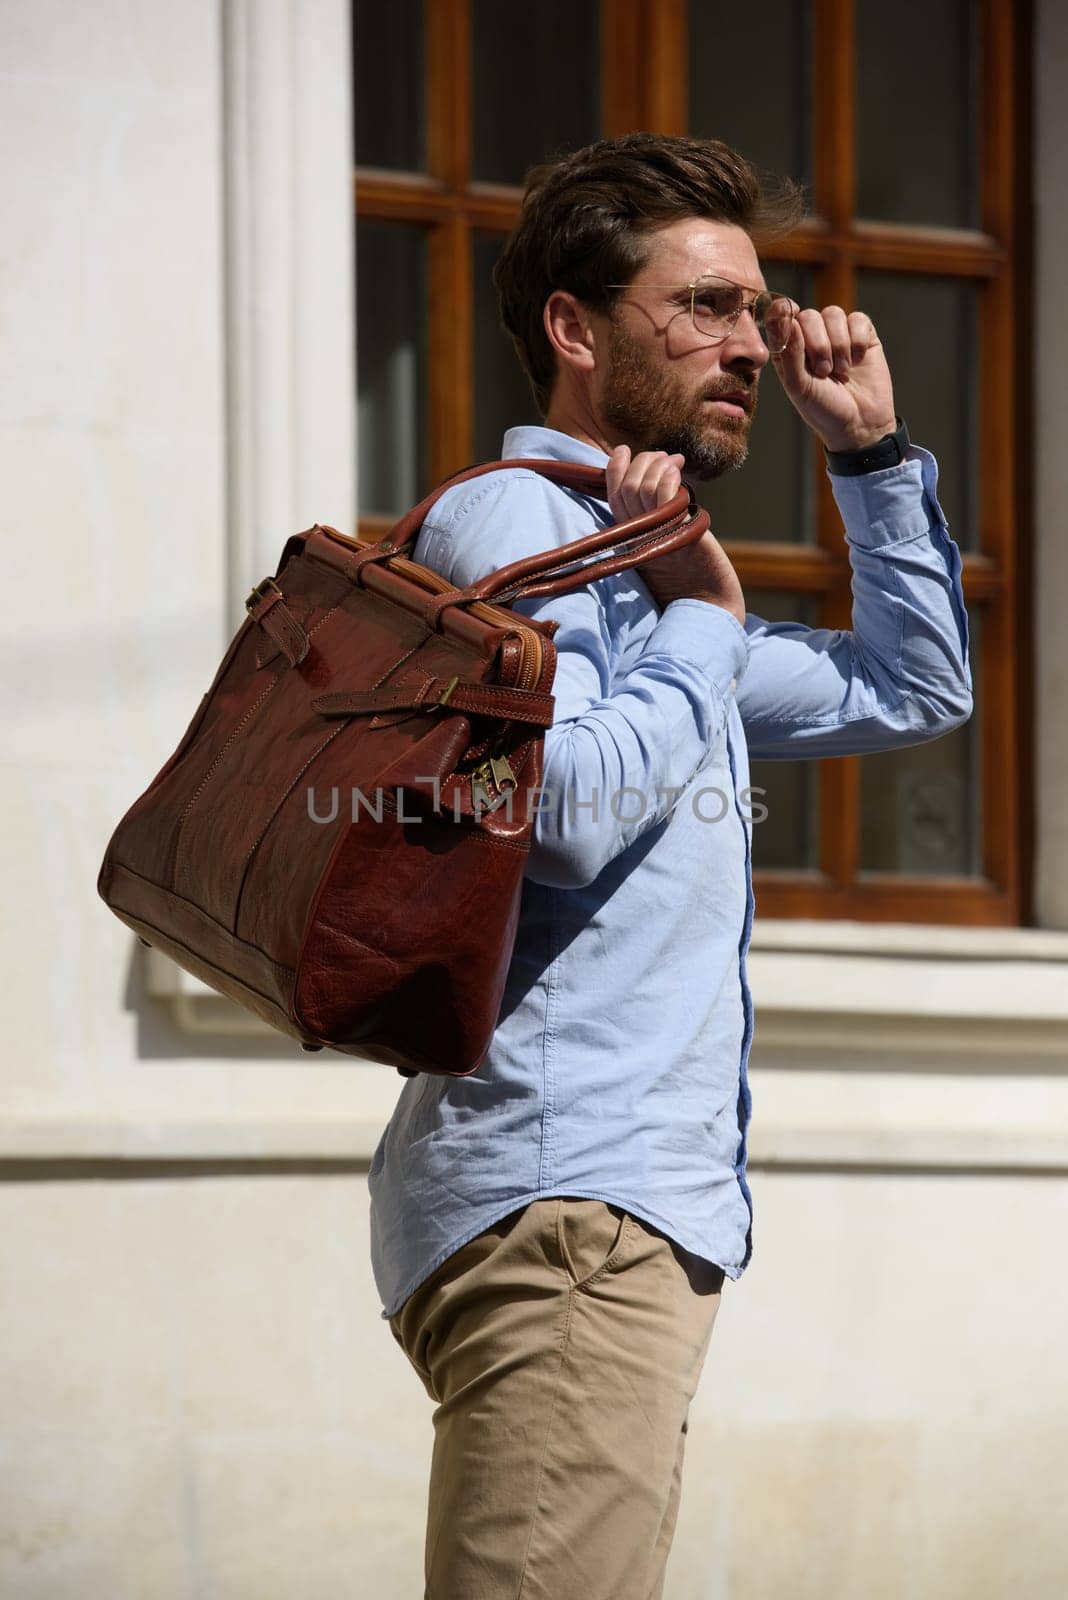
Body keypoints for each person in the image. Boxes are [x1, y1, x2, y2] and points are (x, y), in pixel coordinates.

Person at [368, 132, 972, 1599]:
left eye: (756, 312)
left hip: (598, 1209)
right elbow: (563, 808)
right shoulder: (525, 529)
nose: (751, 346)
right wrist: (703, 606)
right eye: (701, 306)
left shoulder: (630, 566)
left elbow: (916, 689)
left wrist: (872, 460)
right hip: (573, 1204)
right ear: (575, 331)